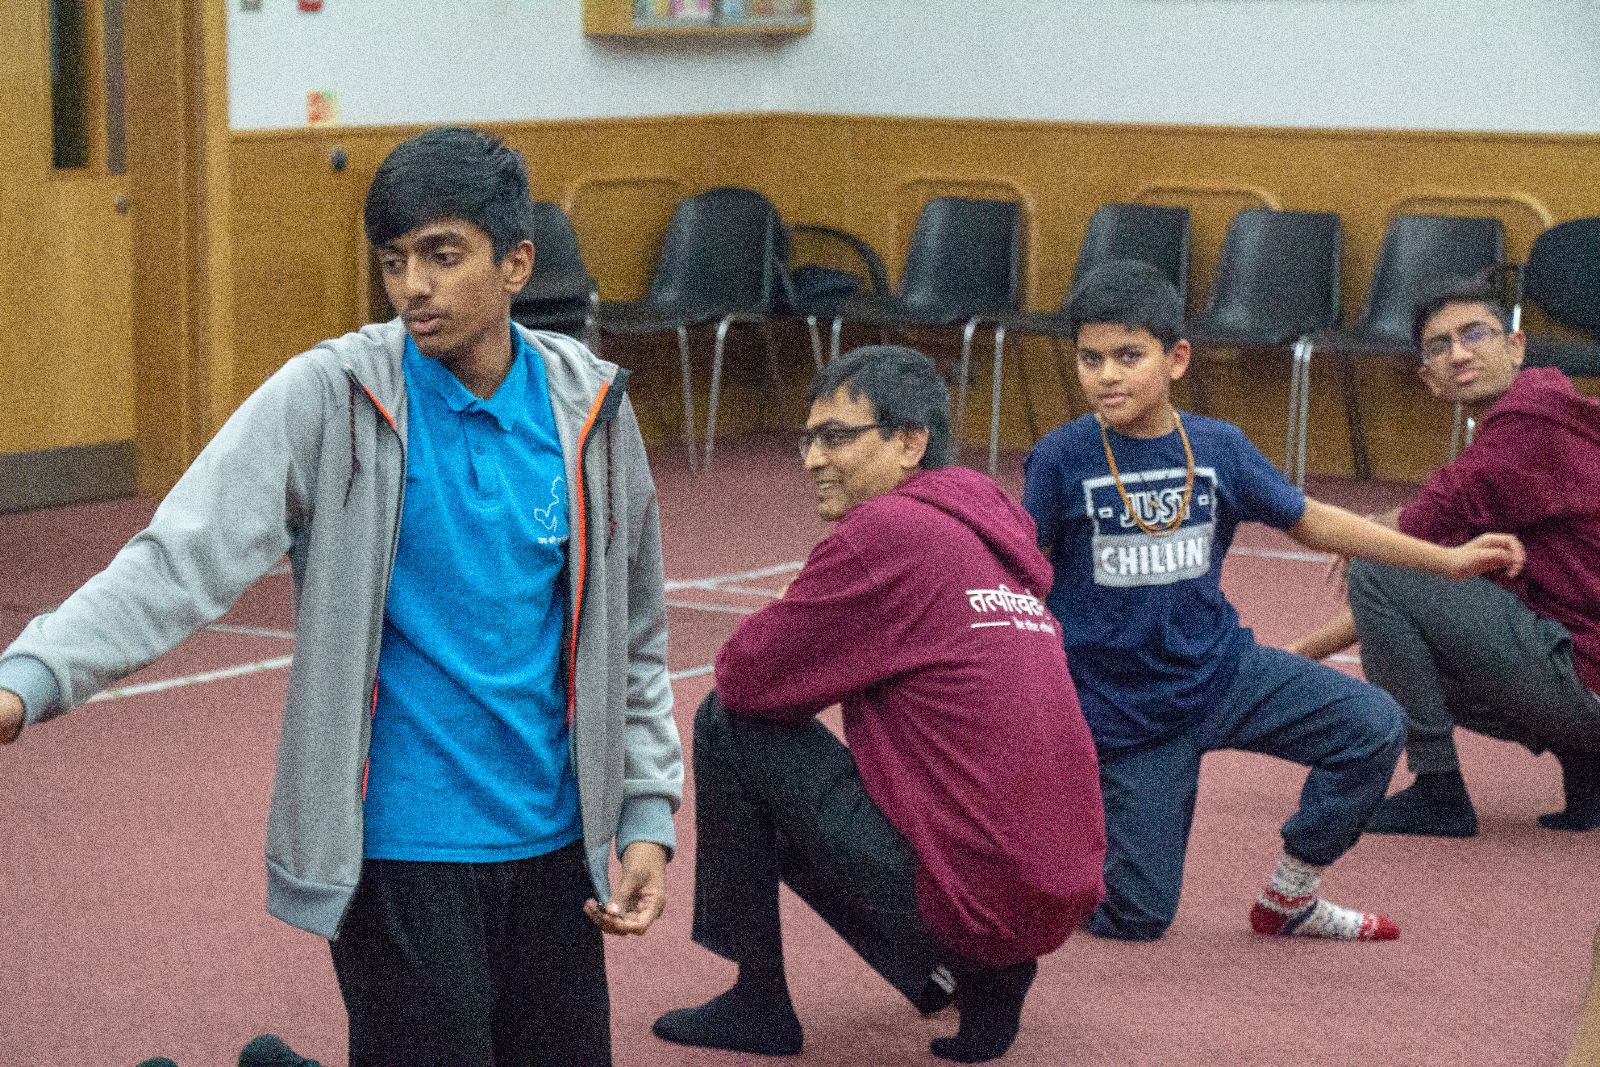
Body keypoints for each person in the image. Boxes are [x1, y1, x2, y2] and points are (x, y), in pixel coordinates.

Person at [0, 126, 681, 1066]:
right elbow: (177, 558)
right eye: (395, 261)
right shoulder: (331, 395)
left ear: (516, 262)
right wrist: (30, 676)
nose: (414, 286)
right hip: (403, 849)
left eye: (444, 256)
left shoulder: (592, 409)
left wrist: (645, 812)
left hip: (558, 850)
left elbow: (636, 635)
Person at [1021, 259, 1525, 944]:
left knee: (1374, 725)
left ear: (1176, 359)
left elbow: (1313, 519)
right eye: (1090, 358)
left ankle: (1291, 897)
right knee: (1137, 917)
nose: (1107, 375)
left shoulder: (1219, 447)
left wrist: (1450, 559)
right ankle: (1061, 845)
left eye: (1127, 355)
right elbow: (1019, 567)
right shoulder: (1061, 458)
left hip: (1222, 673)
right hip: (1124, 710)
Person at [652, 346, 1106, 1064]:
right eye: (807, 439)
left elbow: (745, 678)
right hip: (1055, 889)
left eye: (835, 436)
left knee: (727, 722)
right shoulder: (987, 526)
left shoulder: (885, 532)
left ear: (908, 440)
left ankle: (759, 998)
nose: (812, 458)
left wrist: (782, 610)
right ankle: (981, 974)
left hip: (974, 890)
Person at [1288, 277, 1600, 837]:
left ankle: (1438, 792)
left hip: (1586, 678)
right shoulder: (1544, 407)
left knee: (1380, 569)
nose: (1459, 352)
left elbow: (1396, 555)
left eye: (1474, 333)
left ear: (1516, 346)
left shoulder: (1526, 428)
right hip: (1581, 662)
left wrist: (1287, 661)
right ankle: (1588, 766)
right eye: (1439, 345)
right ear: (1428, 379)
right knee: (1453, 588)